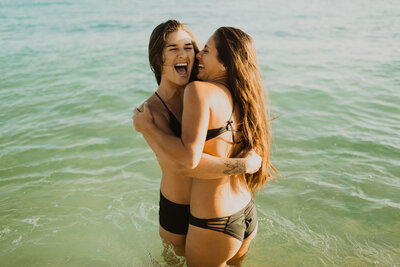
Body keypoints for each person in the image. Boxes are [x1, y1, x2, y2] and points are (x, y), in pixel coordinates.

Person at [134, 26, 277, 266]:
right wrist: (245, 165)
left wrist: (146, 127)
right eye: (174, 48)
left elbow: (187, 164)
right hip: (194, 212)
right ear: (159, 58)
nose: (189, 54)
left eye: (190, 47)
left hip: (212, 218)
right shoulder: (152, 110)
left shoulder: (200, 92)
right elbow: (181, 166)